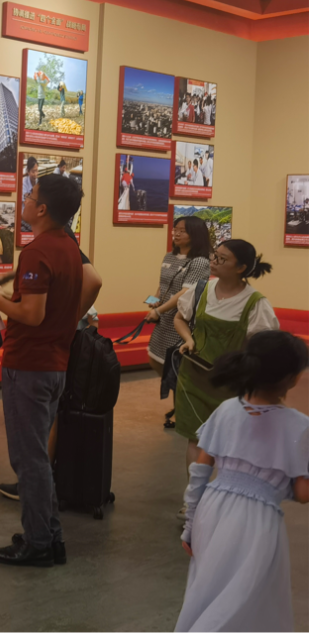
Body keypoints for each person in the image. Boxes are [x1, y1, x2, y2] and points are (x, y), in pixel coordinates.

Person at [0, 174, 83, 567]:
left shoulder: (38, 251)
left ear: (42, 209)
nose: (24, 199)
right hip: (54, 363)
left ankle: (38, 543)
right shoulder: (69, 246)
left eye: (30, 195)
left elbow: (33, 315)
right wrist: (7, 297)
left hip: (30, 365)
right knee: (36, 455)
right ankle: (50, 537)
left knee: (29, 460)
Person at [175, 331, 309, 633]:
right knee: (247, 599)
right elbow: (302, 492)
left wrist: (190, 524)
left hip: (212, 512)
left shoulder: (225, 411)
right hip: (258, 522)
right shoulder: (300, 427)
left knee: (207, 591)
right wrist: (274, 485)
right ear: (292, 378)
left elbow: (200, 471)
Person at [173, 239, 279, 502]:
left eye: (222, 259)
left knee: (230, 445)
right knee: (195, 440)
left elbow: (265, 347)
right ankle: (195, 500)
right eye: (215, 255)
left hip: (232, 386)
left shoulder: (255, 303)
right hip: (194, 378)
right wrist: (188, 339)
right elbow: (179, 318)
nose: (214, 262)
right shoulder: (201, 289)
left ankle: (224, 500)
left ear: (241, 267)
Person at [146, 216, 212, 426]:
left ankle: (182, 408)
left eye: (182, 230)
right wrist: (153, 303)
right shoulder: (170, 256)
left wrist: (160, 311)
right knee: (156, 360)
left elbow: (185, 293)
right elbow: (163, 285)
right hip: (163, 320)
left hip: (181, 320)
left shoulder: (200, 262)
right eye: (175, 229)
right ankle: (181, 401)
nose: (176, 233)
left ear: (195, 234)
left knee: (178, 368)